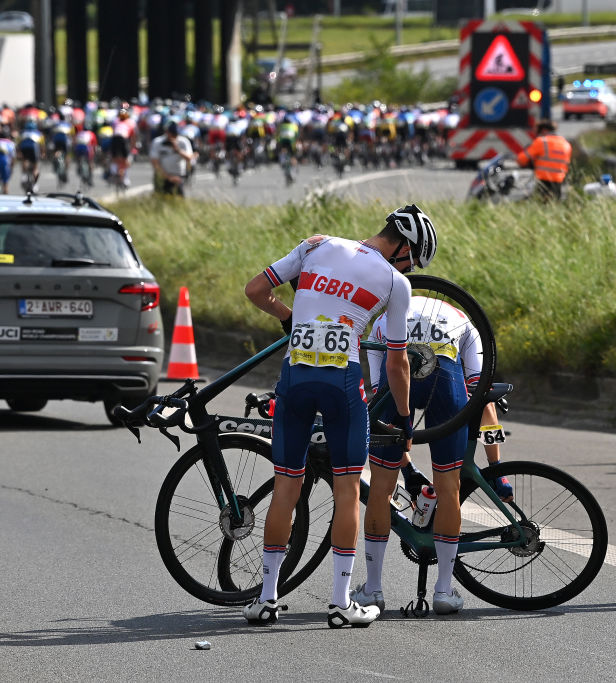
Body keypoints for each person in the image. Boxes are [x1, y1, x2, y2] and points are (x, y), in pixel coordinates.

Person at [242, 204, 438, 629]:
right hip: (342, 382)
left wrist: (289, 317)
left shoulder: (316, 245)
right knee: (347, 490)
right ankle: (339, 602)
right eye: (412, 260)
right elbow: (398, 363)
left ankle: (266, 599)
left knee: (285, 486)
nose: (409, 268)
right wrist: (405, 419)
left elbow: (255, 290)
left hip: (295, 376)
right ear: (404, 248)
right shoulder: (395, 282)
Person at [353, 291, 503, 618]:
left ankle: (373, 589)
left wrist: (407, 470)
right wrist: (497, 467)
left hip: (398, 372)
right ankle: (444, 592)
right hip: (447, 380)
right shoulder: (464, 321)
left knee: (379, 490)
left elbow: (381, 400)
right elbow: (483, 399)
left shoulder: (383, 320)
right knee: (449, 490)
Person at [515, 119, 570, 201]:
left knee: (540, 202)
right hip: (559, 180)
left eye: (538, 133)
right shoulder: (565, 143)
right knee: (555, 202)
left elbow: (522, 159)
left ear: (544, 130)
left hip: (544, 180)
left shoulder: (541, 141)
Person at [149, 121, 196, 196]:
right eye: (172, 133)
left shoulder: (183, 141)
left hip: (178, 176)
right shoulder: (158, 142)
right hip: (162, 176)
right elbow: (155, 163)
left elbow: (189, 158)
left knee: (179, 199)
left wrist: (178, 150)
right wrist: (168, 177)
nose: (173, 136)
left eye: (175, 134)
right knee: (160, 198)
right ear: (167, 132)